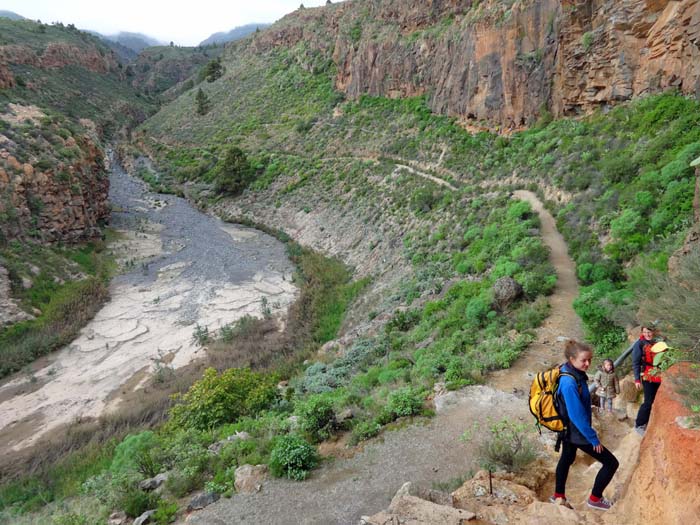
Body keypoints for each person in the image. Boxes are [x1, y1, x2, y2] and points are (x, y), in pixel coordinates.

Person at [550, 340, 619, 511]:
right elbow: (576, 414)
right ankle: (595, 498)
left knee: (566, 459)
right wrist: (593, 438)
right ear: (572, 359)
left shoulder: (569, 372)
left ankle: (558, 496)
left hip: (567, 430)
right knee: (611, 463)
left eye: (589, 359)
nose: (588, 363)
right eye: (583, 360)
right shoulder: (569, 382)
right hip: (577, 431)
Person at [632, 326, 659, 435]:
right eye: (645, 332)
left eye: (649, 332)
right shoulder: (639, 344)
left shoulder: (658, 342)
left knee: (657, 399)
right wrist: (637, 380)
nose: (647, 334)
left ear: (653, 332)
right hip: (648, 375)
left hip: (659, 374)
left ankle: (653, 420)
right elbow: (636, 363)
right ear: (642, 333)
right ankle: (640, 424)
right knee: (648, 401)